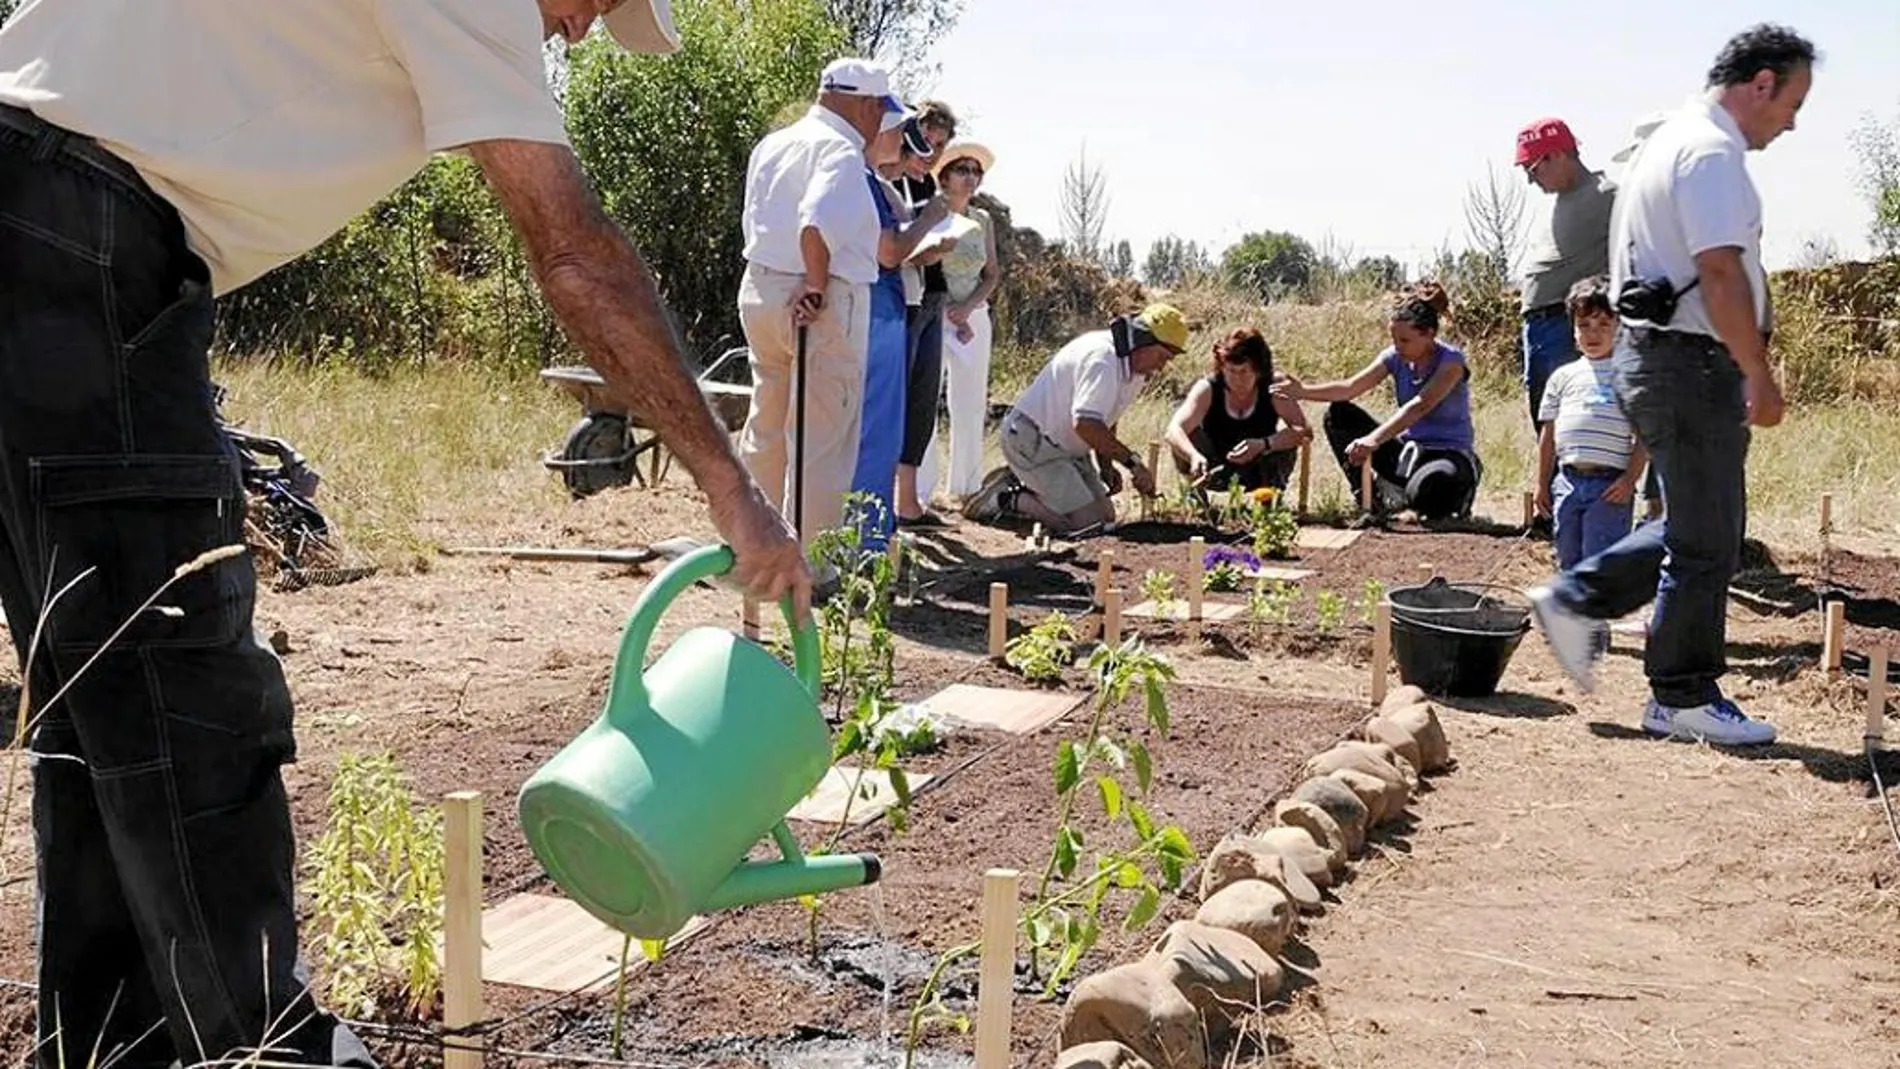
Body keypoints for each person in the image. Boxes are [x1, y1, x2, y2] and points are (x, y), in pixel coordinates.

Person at [0, 1, 811, 1065]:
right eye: (591, 4)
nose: (573, 33)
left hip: (42, 213)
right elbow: (572, 250)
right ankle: (269, 1049)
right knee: (178, 685)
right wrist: (733, 489)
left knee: (96, 687)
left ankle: (113, 1045)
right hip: (79, 235)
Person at [1528, 24, 1814, 747]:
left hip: (1655, 357)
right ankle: (1681, 694)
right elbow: (1719, 271)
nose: (1793, 121)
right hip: (1689, 361)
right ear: (1761, 83)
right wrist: (1758, 369)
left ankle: (1577, 596)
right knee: (1708, 536)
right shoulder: (1712, 152)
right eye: (1793, 101)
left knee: (1698, 517)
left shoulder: (1668, 142)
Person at [738, 57, 908, 549]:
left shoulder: (775, 143)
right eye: (880, 109)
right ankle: (813, 564)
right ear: (865, 105)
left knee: (766, 427)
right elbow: (816, 222)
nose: (880, 122)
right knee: (823, 440)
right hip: (818, 301)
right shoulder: (840, 152)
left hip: (762, 289)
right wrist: (815, 285)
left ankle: (755, 547)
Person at [961, 304, 1188, 534]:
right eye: (1162, 357)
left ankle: (1029, 485)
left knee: (1107, 517)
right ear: (1143, 341)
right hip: (1032, 440)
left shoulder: (1134, 369)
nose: (1160, 367)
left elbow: (1105, 419)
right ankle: (1006, 497)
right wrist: (1133, 463)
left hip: (1066, 448)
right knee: (1089, 526)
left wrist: (1106, 466)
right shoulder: (1102, 360)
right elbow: (1086, 424)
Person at [1274, 285, 1482, 521]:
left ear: (1430, 333)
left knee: (1430, 491)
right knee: (1338, 414)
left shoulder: (1451, 362)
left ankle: (1450, 497)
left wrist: (1374, 440)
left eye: (1404, 340)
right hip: (1408, 454)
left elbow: (1420, 405)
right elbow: (1349, 388)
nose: (1397, 346)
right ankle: (1371, 499)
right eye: (1394, 339)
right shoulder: (1394, 357)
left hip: (1448, 455)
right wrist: (1301, 391)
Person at [850, 113, 951, 548]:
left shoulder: (877, 185)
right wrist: (926, 223)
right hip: (876, 307)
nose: (913, 158)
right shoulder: (864, 184)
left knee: (890, 423)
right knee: (871, 428)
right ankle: (863, 537)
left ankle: (874, 530)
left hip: (892, 306)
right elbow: (889, 252)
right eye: (909, 146)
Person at [1534, 276, 1649, 570]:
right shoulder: (1562, 377)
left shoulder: (1630, 377)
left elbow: (1643, 438)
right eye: (1584, 325)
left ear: (1620, 329)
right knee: (1568, 557)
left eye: (1603, 325)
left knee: (1600, 563)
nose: (1592, 334)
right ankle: (1570, 615)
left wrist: (1629, 480)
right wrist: (1541, 484)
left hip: (1609, 486)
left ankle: (1595, 616)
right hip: (1568, 482)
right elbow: (1548, 436)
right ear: (1573, 331)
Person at [1515, 117, 1617, 429]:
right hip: (1542, 326)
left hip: (1569, 323)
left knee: (1572, 420)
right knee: (1547, 417)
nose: (1532, 181)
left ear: (1557, 154)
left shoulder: (1607, 195)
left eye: (1532, 169)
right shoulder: (1559, 201)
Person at [892, 101, 959, 527]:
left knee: (922, 399)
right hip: (902, 299)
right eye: (926, 142)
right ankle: (886, 502)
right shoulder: (892, 181)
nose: (931, 153)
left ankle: (908, 500)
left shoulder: (929, 188)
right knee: (896, 397)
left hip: (934, 296)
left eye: (939, 146)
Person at [927, 140, 1002, 502]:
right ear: (944, 176)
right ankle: (922, 490)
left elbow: (991, 273)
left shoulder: (982, 220)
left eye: (975, 171)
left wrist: (969, 308)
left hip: (973, 316)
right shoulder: (930, 213)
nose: (970, 177)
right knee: (925, 399)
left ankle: (966, 487)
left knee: (970, 402)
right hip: (935, 313)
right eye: (962, 169)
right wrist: (946, 309)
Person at [1163, 326, 1312, 497]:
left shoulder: (1274, 386)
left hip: (1259, 467)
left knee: (1286, 442)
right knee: (1186, 436)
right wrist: (1193, 456)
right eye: (1231, 371)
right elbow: (1173, 430)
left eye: (1244, 372)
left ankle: (1269, 500)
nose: (1237, 379)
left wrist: (1263, 444)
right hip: (1214, 468)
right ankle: (1196, 496)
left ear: (1258, 369)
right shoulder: (1208, 388)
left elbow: (1304, 431)